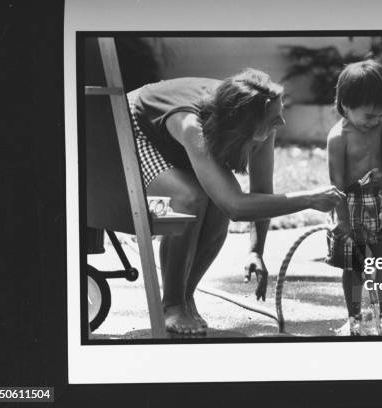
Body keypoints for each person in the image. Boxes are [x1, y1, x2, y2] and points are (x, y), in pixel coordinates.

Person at [127, 69, 344, 335]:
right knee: (189, 198)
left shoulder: (260, 119)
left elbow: (261, 189)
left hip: (175, 136)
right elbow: (236, 206)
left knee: (215, 204)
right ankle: (171, 305)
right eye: (275, 117)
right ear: (247, 122)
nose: (283, 123)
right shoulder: (190, 124)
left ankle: (185, 297)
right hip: (132, 126)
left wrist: (256, 251)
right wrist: (310, 198)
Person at [326, 60, 382, 336]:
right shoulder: (338, 138)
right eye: (369, 116)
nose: (375, 121)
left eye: (380, 115)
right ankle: (355, 318)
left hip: (381, 201)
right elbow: (336, 183)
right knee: (354, 266)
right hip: (351, 205)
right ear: (346, 105)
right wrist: (343, 220)